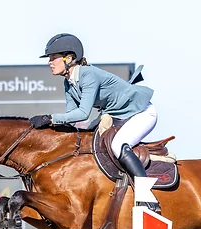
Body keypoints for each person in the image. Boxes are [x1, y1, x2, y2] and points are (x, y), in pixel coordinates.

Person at [30, 33, 161, 212]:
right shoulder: (69, 83)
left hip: (141, 113)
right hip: (119, 116)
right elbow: (71, 116)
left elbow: (83, 113)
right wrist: (50, 125)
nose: (50, 62)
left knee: (118, 145)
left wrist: (51, 118)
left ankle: (148, 198)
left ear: (69, 58)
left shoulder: (88, 74)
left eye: (53, 58)